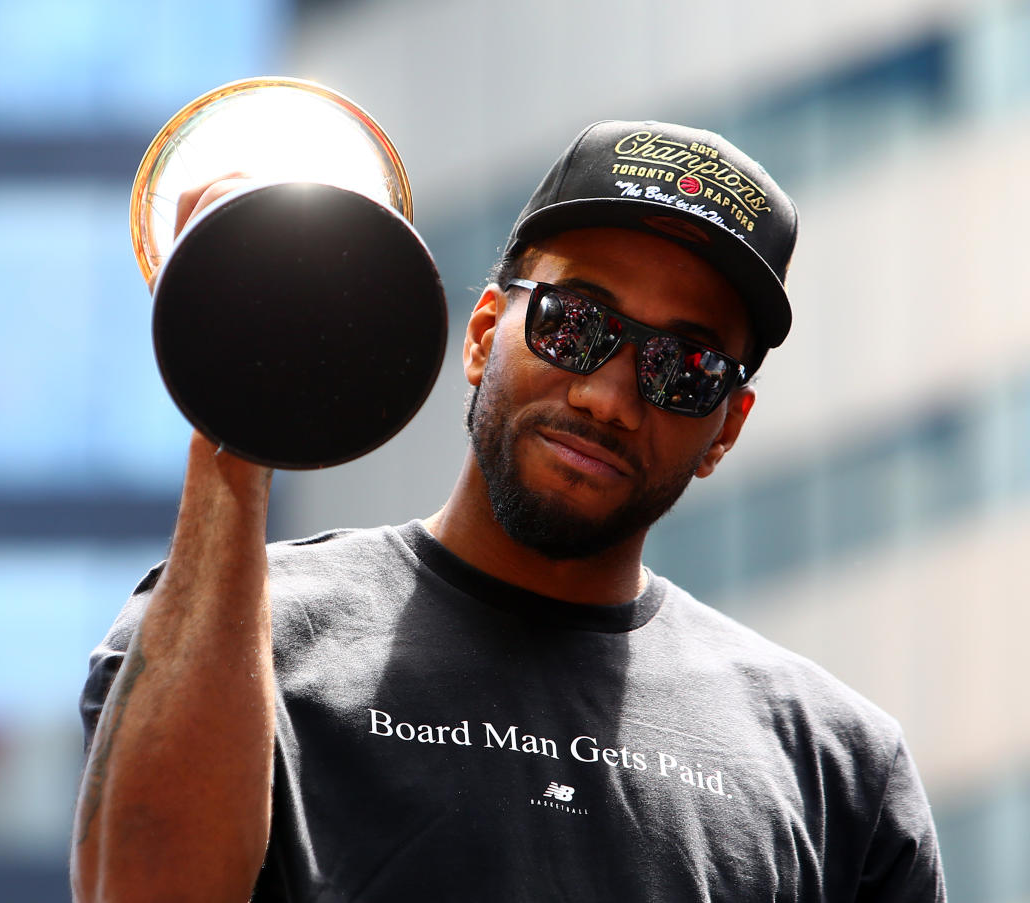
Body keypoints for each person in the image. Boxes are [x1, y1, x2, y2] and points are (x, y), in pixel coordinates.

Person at [70, 121, 946, 901]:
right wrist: (240, 407)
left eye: (684, 367)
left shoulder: (838, 767)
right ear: (486, 334)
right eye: (574, 321)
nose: (608, 395)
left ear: (726, 429)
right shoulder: (237, 636)